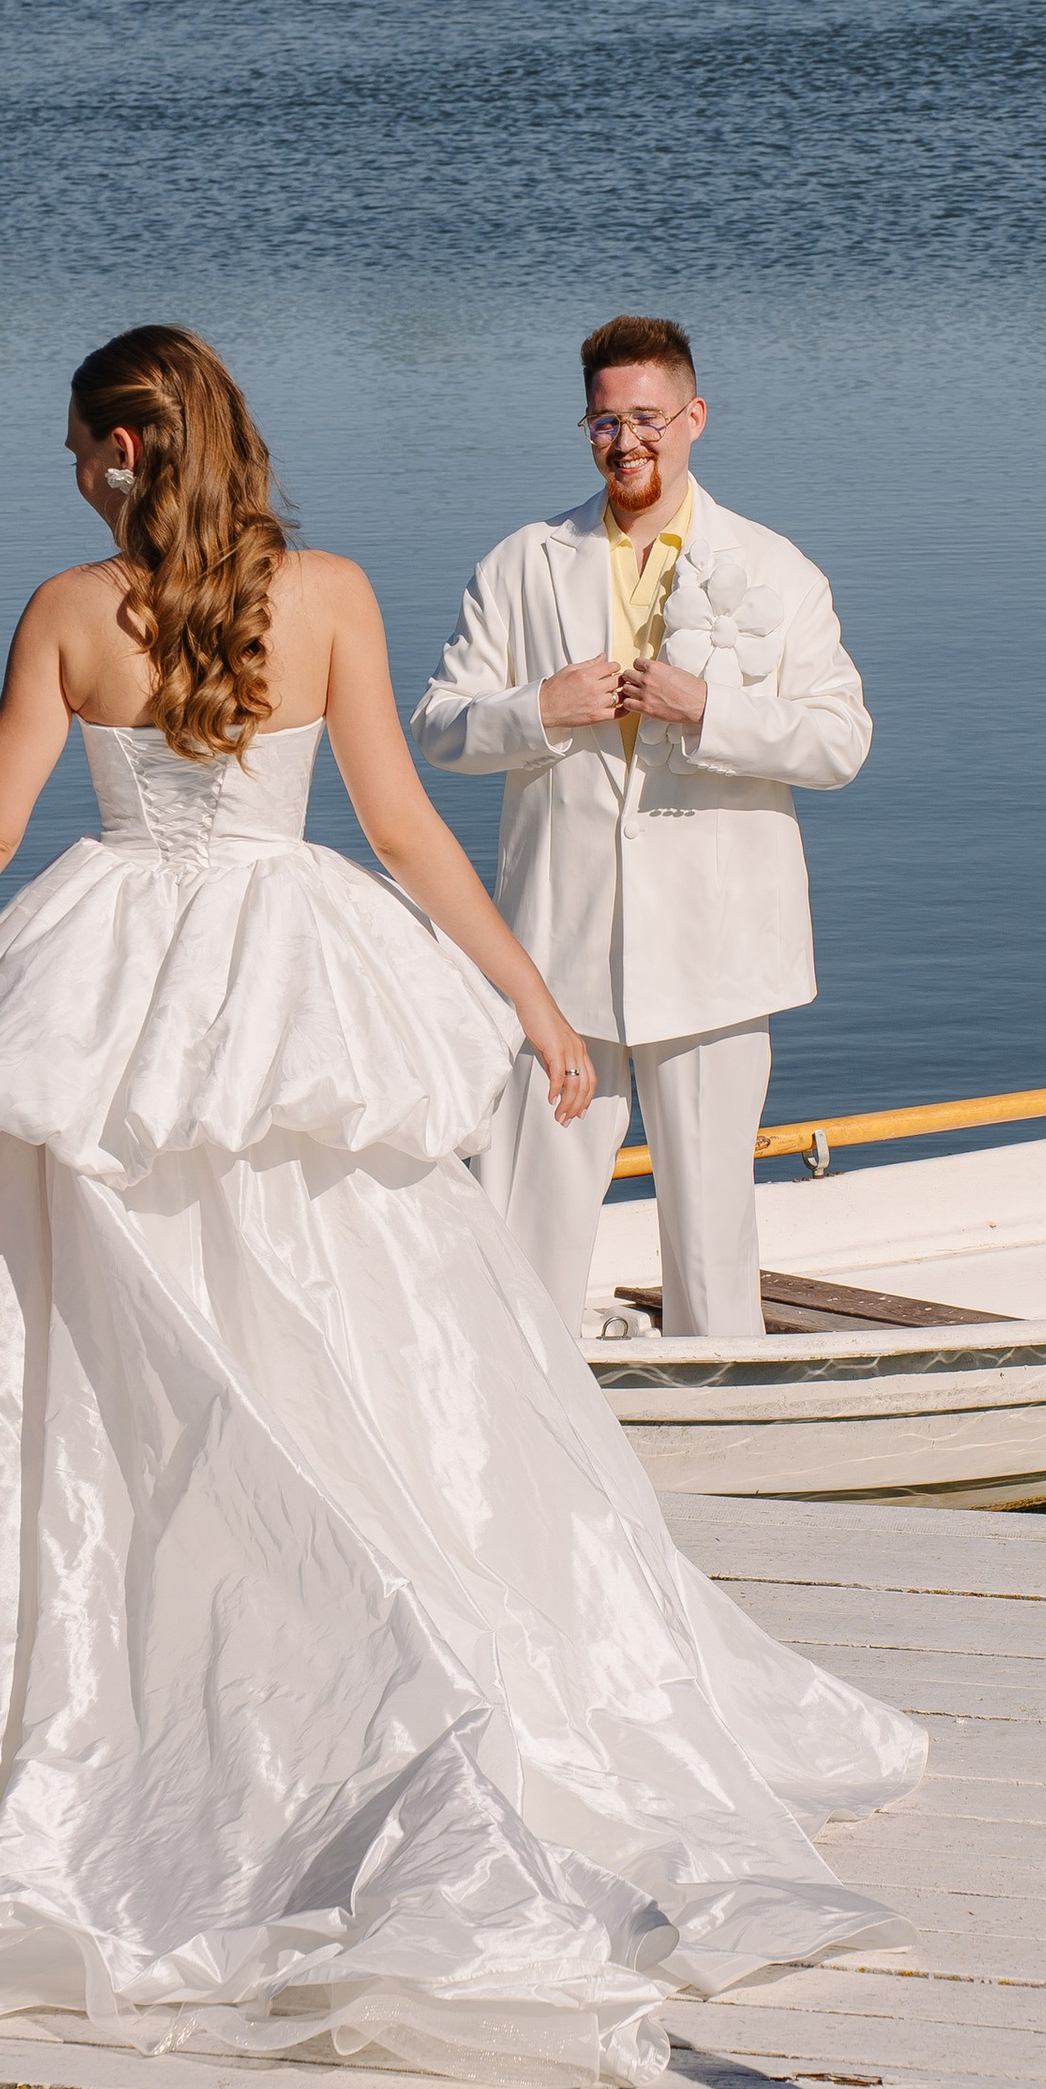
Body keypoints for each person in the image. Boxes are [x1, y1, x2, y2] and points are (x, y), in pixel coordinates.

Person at [0, 326, 923, 2088]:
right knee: (348, 1321)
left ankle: (189, 1638)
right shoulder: (323, 595)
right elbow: (402, 832)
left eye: (82, 450)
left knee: (131, 1359)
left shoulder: (67, 613)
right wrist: (534, 1009)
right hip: (293, 974)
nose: (77, 478)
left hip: (109, 996)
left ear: (117, 449)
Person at [411, 317, 870, 1341]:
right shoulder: (522, 565)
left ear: (693, 418)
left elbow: (840, 744)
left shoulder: (775, 569)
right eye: (604, 422)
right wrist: (540, 708)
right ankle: (514, 1421)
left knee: (711, 1243)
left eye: (648, 420)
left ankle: (726, 1440)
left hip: (715, 961)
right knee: (522, 1225)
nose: (627, 444)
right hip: (557, 963)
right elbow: (437, 728)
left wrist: (709, 710)